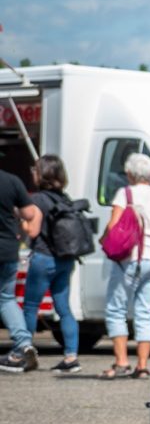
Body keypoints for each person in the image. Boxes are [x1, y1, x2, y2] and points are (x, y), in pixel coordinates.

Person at [22, 156, 89, 373]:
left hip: (43, 258)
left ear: (42, 174)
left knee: (31, 307)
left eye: (36, 169)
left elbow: (33, 230)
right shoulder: (64, 198)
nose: (33, 172)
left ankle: (24, 351)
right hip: (65, 259)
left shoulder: (39, 200)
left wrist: (21, 221)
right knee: (64, 309)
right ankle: (71, 357)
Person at [100, 150, 150, 379]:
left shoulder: (125, 194)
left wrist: (103, 239)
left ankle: (121, 361)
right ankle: (143, 365)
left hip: (130, 259)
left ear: (129, 174)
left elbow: (114, 225)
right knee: (145, 312)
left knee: (116, 309)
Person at [0, 161, 35, 372]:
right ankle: (23, 344)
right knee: (6, 298)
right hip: (7, 248)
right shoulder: (11, 181)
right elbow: (29, 213)